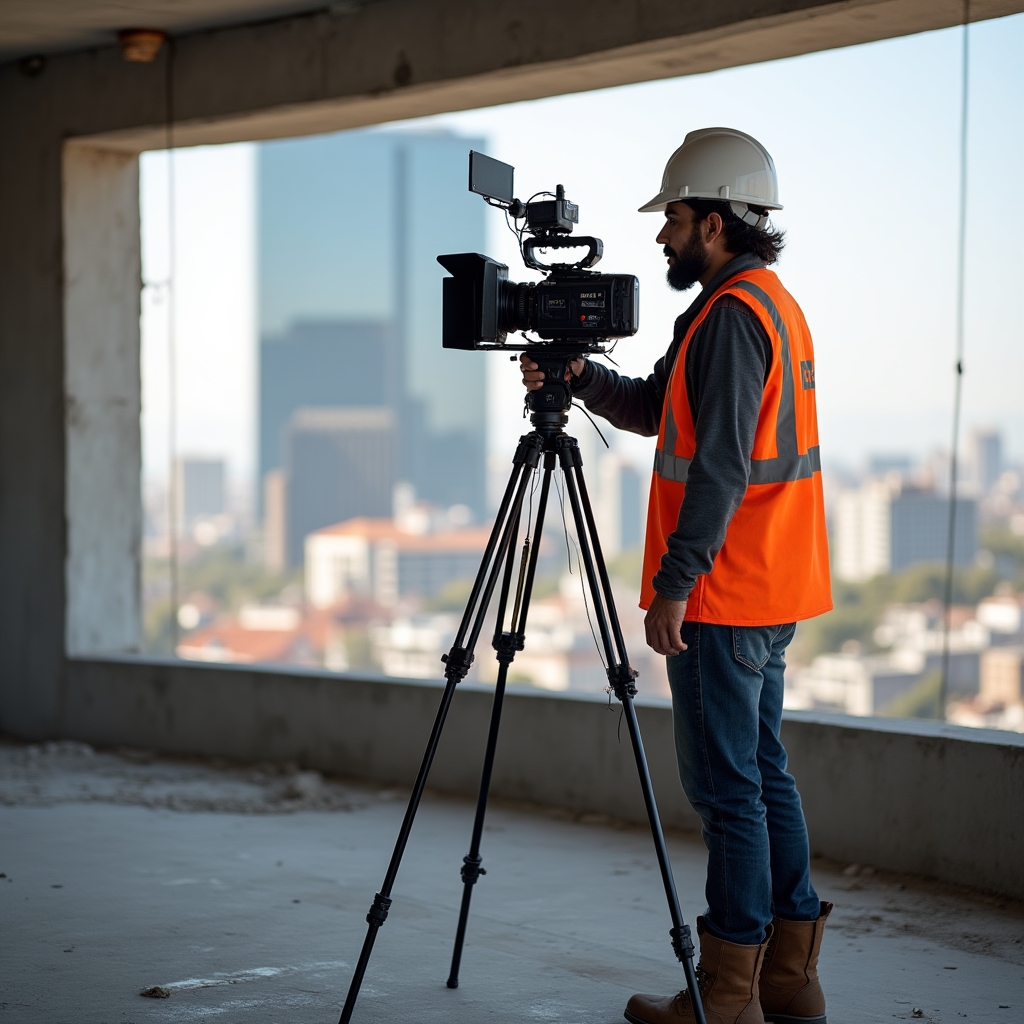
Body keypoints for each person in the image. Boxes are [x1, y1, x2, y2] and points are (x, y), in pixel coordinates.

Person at [522, 128, 834, 1024]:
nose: (662, 237)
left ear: (717, 221)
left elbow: (724, 466)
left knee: (727, 787)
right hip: (769, 585)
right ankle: (788, 978)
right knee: (762, 772)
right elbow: (660, 410)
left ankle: (728, 991)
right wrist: (580, 375)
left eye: (675, 220)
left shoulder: (733, 319)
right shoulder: (755, 305)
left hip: (728, 593)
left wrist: (674, 584)